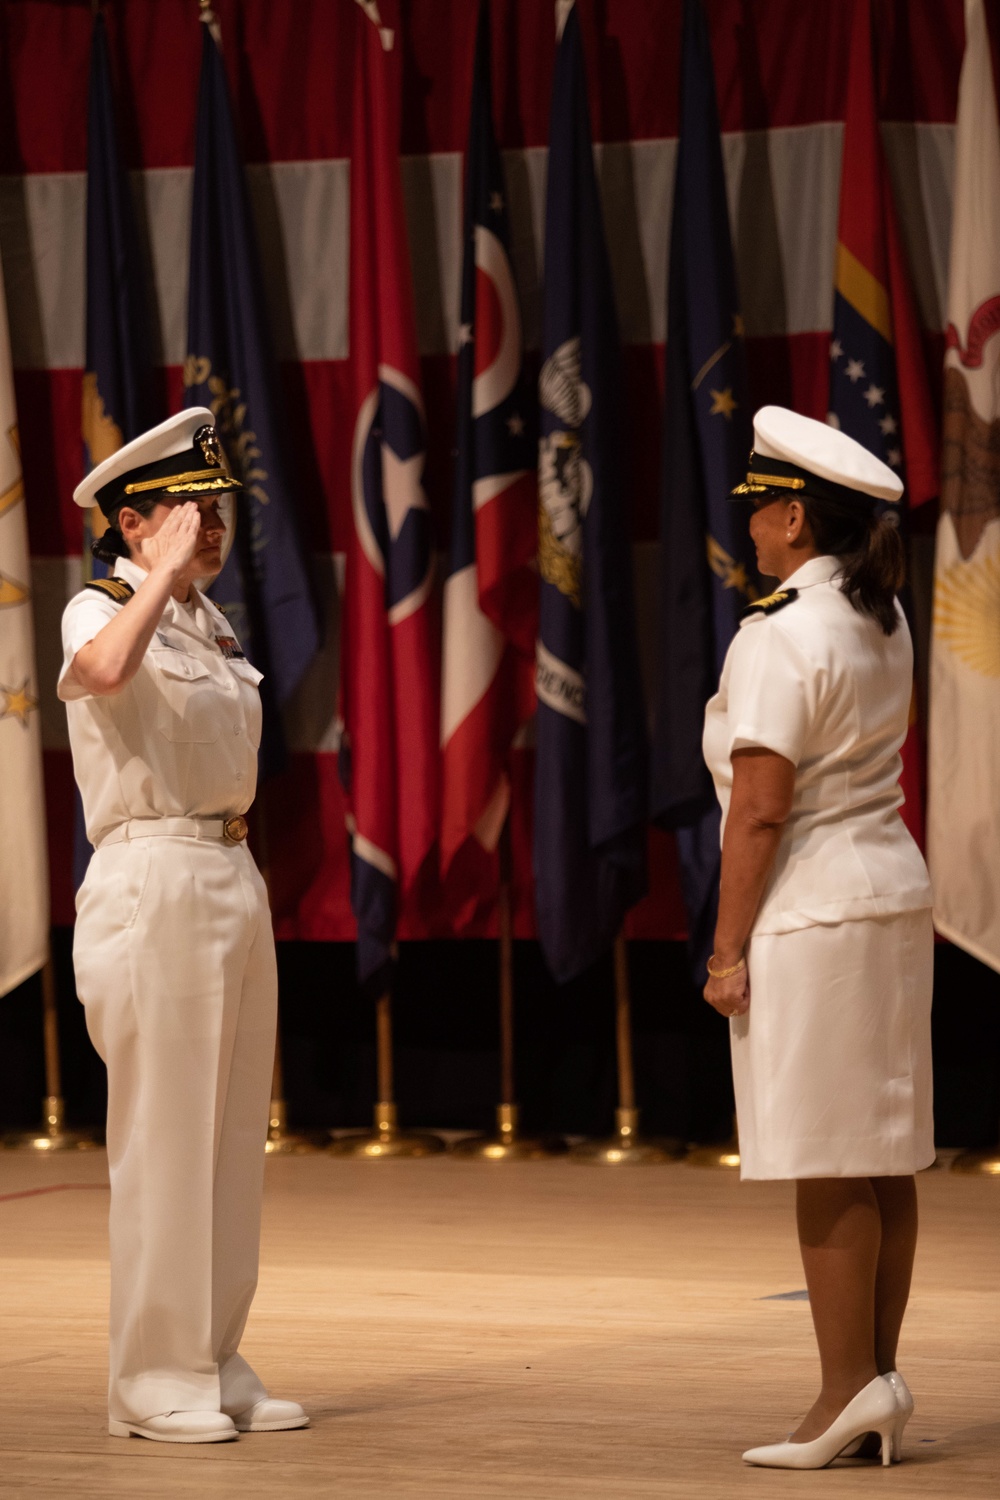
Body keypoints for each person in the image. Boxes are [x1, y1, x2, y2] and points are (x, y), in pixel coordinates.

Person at [60, 409, 307, 1444]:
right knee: (164, 1142)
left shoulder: (206, 623)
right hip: (149, 875)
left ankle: (211, 1352)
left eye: (217, 510)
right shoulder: (99, 606)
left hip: (226, 868)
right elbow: (104, 674)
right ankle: (153, 1381)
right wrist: (155, 575)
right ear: (132, 521)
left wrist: (179, 586)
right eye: (189, 512)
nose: (212, 527)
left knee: (226, 1140)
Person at [702, 407, 933, 1470]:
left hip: (813, 906)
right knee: (882, 1156)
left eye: (757, 513)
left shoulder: (781, 632)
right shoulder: (880, 615)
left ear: (793, 517)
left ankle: (846, 1387)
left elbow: (758, 808)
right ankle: (873, 1379)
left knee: (827, 1160)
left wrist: (724, 947)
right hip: (887, 893)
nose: (748, 532)